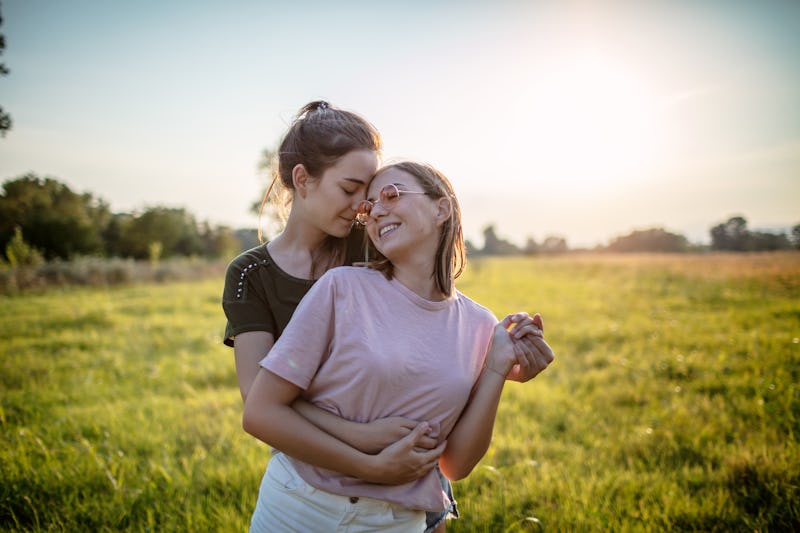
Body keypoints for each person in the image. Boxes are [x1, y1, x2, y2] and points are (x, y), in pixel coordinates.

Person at [241, 161, 555, 531]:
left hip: (396, 522)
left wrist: (497, 367)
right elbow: (259, 413)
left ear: (442, 208)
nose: (375, 212)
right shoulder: (341, 288)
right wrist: (370, 466)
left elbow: (455, 464)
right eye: (369, 207)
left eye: (390, 195)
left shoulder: (480, 326)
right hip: (299, 507)